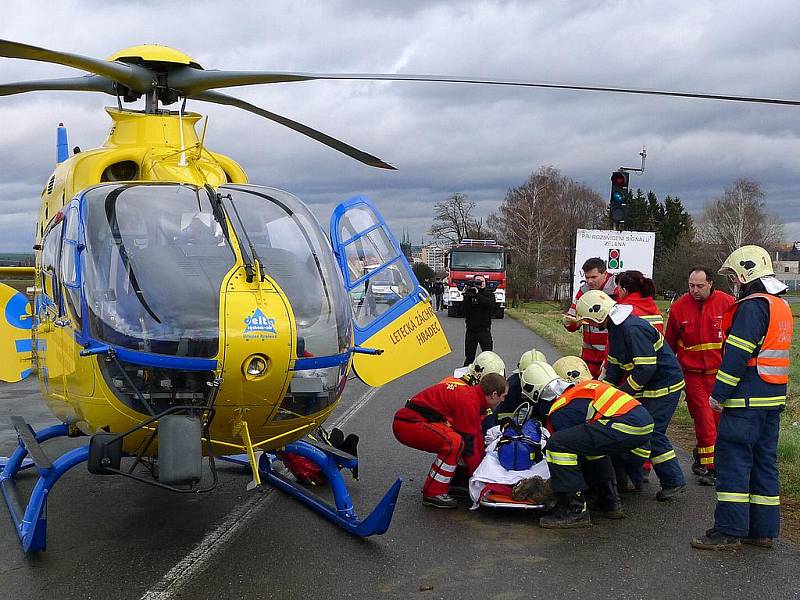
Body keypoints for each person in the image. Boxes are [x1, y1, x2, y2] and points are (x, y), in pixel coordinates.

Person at [692, 246, 794, 550]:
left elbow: (736, 355)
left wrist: (718, 395)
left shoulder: (751, 307)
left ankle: (729, 530)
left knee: (733, 463)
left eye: (735, 276)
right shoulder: (780, 305)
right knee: (764, 463)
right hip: (772, 399)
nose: (733, 282)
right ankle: (762, 531)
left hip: (745, 401)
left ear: (746, 274)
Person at [576, 289, 687, 500]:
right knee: (636, 431)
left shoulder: (632, 329)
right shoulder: (617, 328)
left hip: (664, 387)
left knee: (651, 432)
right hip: (651, 386)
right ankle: (632, 478)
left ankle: (673, 481)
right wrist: (600, 392)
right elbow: (616, 367)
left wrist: (622, 395)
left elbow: (646, 369)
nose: (589, 325)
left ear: (598, 314)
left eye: (589, 320)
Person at [520, 362, 654, 528]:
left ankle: (574, 509)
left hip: (624, 424)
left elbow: (569, 457)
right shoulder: (581, 388)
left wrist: (550, 488)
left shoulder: (561, 408)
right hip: (641, 421)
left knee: (557, 446)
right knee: (590, 447)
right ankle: (610, 502)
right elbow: (586, 448)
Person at [392, 373, 509, 508]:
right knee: (454, 443)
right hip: (408, 423)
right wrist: (480, 477)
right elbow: (470, 447)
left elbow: (476, 437)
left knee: (459, 441)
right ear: (494, 394)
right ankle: (433, 493)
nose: (503, 401)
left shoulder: (471, 397)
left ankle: (454, 482)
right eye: (503, 396)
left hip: (411, 421)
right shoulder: (469, 402)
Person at [665, 267, 735, 486]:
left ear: (711, 283)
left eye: (700, 286)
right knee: (704, 421)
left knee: (718, 420)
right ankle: (711, 468)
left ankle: (702, 456)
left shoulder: (728, 303)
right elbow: (669, 345)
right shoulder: (679, 308)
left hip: (720, 375)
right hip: (692, 375)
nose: (694, 290)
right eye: (691, 286)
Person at [563, 257, 617, 378]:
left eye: (594, 277)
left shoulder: (617, 291)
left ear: (605, 274)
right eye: (587, 277)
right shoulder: (583, 291)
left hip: (610, 356)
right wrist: (570, 322)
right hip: (589, 356)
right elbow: (571, 317)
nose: (590, 281)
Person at [462, 275, 496, 366]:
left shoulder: (489, 295)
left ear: (485, 283)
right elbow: (463, 310)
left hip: (484, 331)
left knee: (488, 357)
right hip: (471, 331)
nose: (480, 284)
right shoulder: (469, 294)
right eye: (477, 281)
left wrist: (478, 294)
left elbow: (489, 305)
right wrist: (465, 296)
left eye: (481, 282)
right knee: (469, 358)